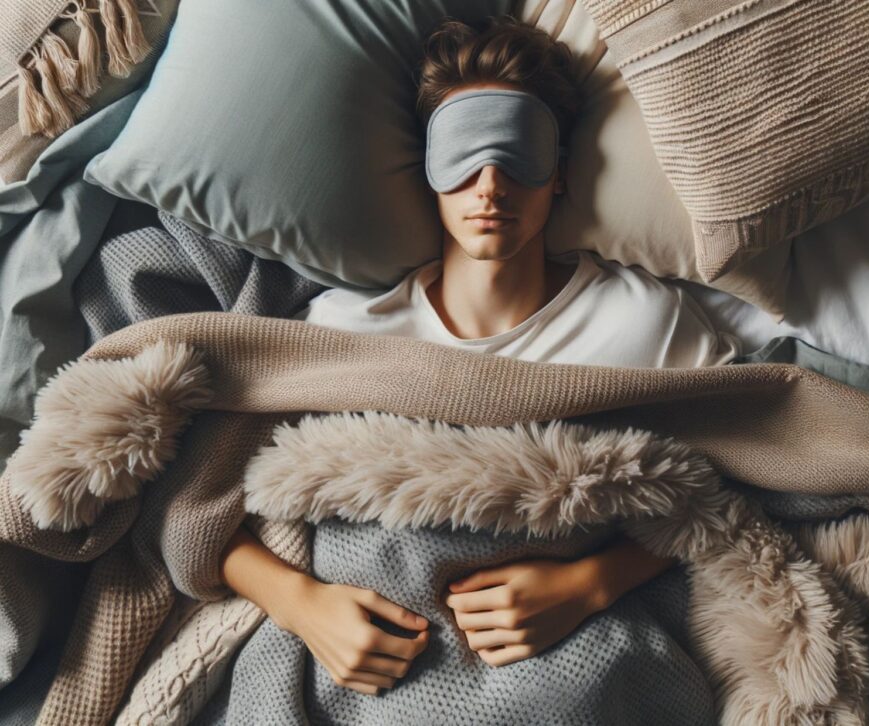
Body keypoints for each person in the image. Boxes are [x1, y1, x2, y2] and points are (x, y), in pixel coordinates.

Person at [219, 15, 740, 700]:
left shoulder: (640, 323)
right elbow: (203, 498)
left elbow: (742, 480)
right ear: (427, 169)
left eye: (519, 151)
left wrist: (592, 581)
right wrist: (298, 602)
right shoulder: (343, 329)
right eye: (463, 153)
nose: (490, 182)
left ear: (557, 173)